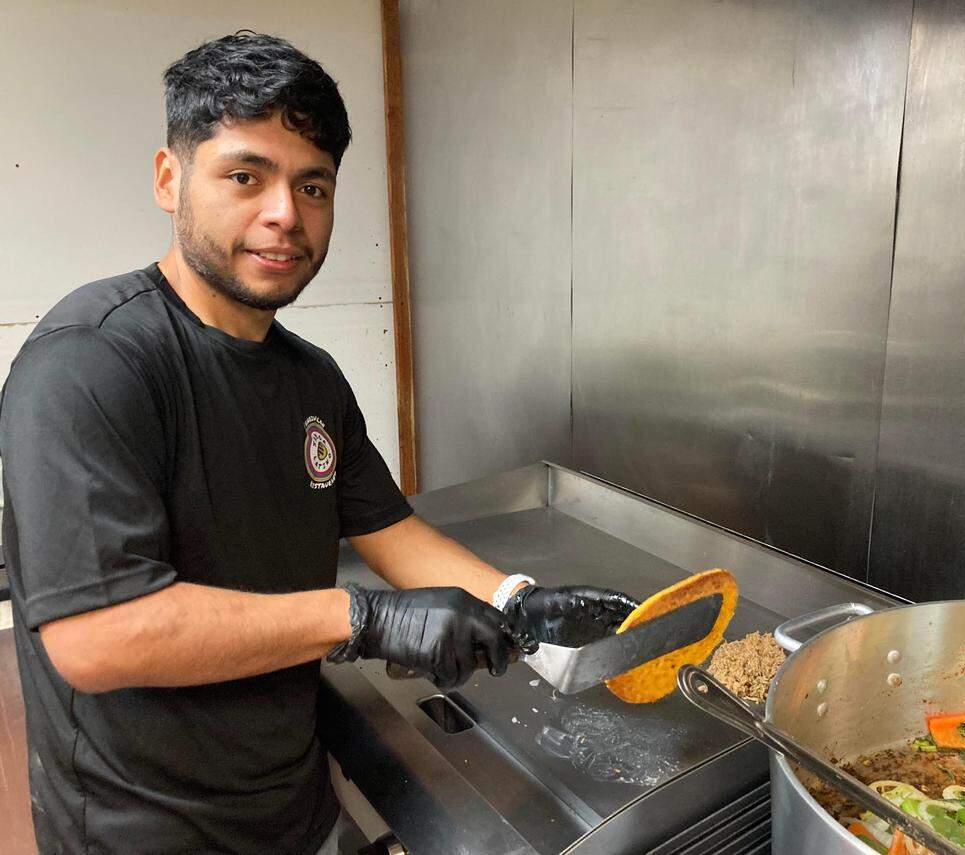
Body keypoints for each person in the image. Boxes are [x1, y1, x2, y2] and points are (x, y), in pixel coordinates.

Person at [0, 32, 637, 855]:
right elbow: (97, 636)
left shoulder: (312, 378)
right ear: (170, 178)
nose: (284, 215)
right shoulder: (92, 361)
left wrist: (516, 603)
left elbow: (389, 530)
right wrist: (363, 617)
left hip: (290, 803)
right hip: (142, 830)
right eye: (244, 176)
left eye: (313, 185)